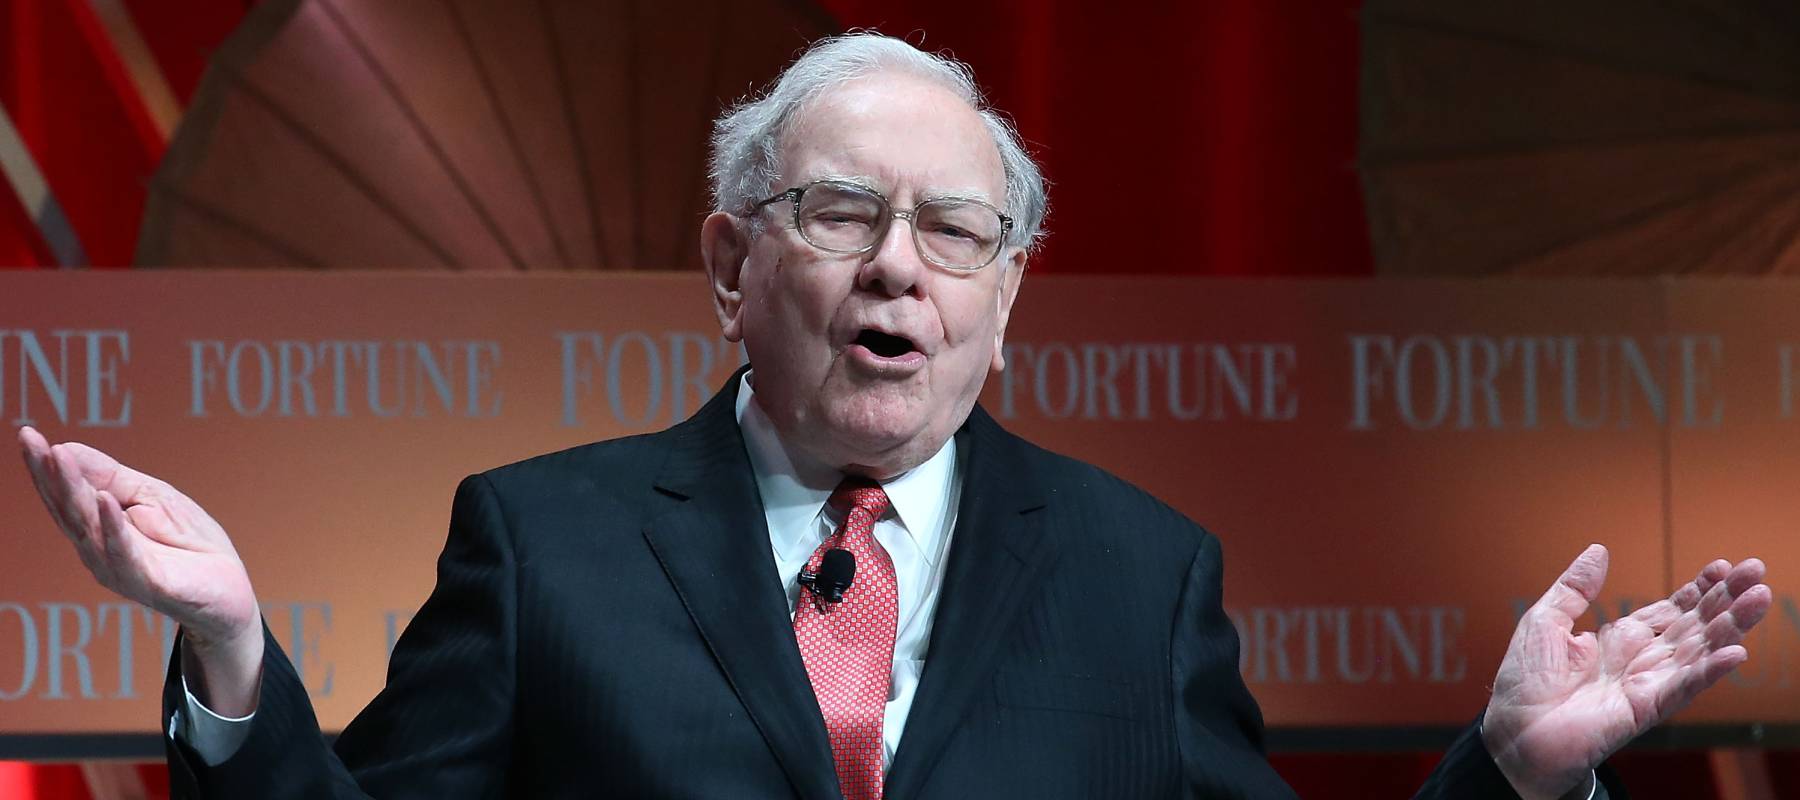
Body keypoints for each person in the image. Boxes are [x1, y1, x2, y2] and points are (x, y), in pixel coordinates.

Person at [19, 33, 1770, 800]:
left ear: (1008, 298)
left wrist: (1515, 780)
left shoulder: (1139, 575)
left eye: (957, 233)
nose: (900, 272)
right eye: (842, 215)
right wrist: (236, 653)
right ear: (729, 260)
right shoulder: (545, 545)